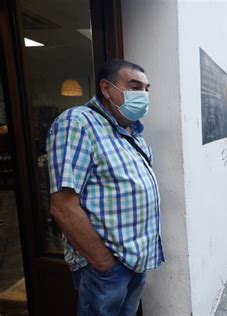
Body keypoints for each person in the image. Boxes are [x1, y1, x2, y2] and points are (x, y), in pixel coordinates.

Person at [46, 59, 164, 316]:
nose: (142, 95)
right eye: (134, 86)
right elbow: (63, 207)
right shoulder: (77, 123)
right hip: (106, 268)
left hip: (136, 260)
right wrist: (104, 263)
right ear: (106, 88)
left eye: (146, 88)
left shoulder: (132, 133)